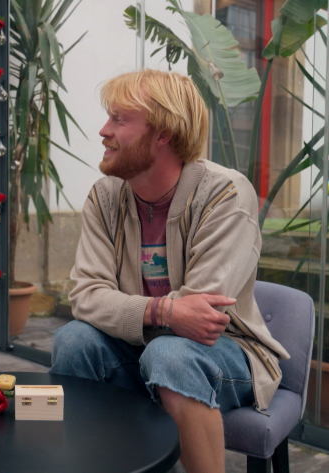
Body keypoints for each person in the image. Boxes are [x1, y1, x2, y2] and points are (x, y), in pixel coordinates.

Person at [49, 70, 290, 473]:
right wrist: (163, 312)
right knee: (73, 340)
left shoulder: (225, 193)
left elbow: (201, 315)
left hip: (229, 354)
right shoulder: (105, 194)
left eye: (119, 120)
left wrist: (149, 314)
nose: (103, 131)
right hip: (142, 346)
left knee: (170, 354)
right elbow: (86, 296)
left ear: (163, 133)